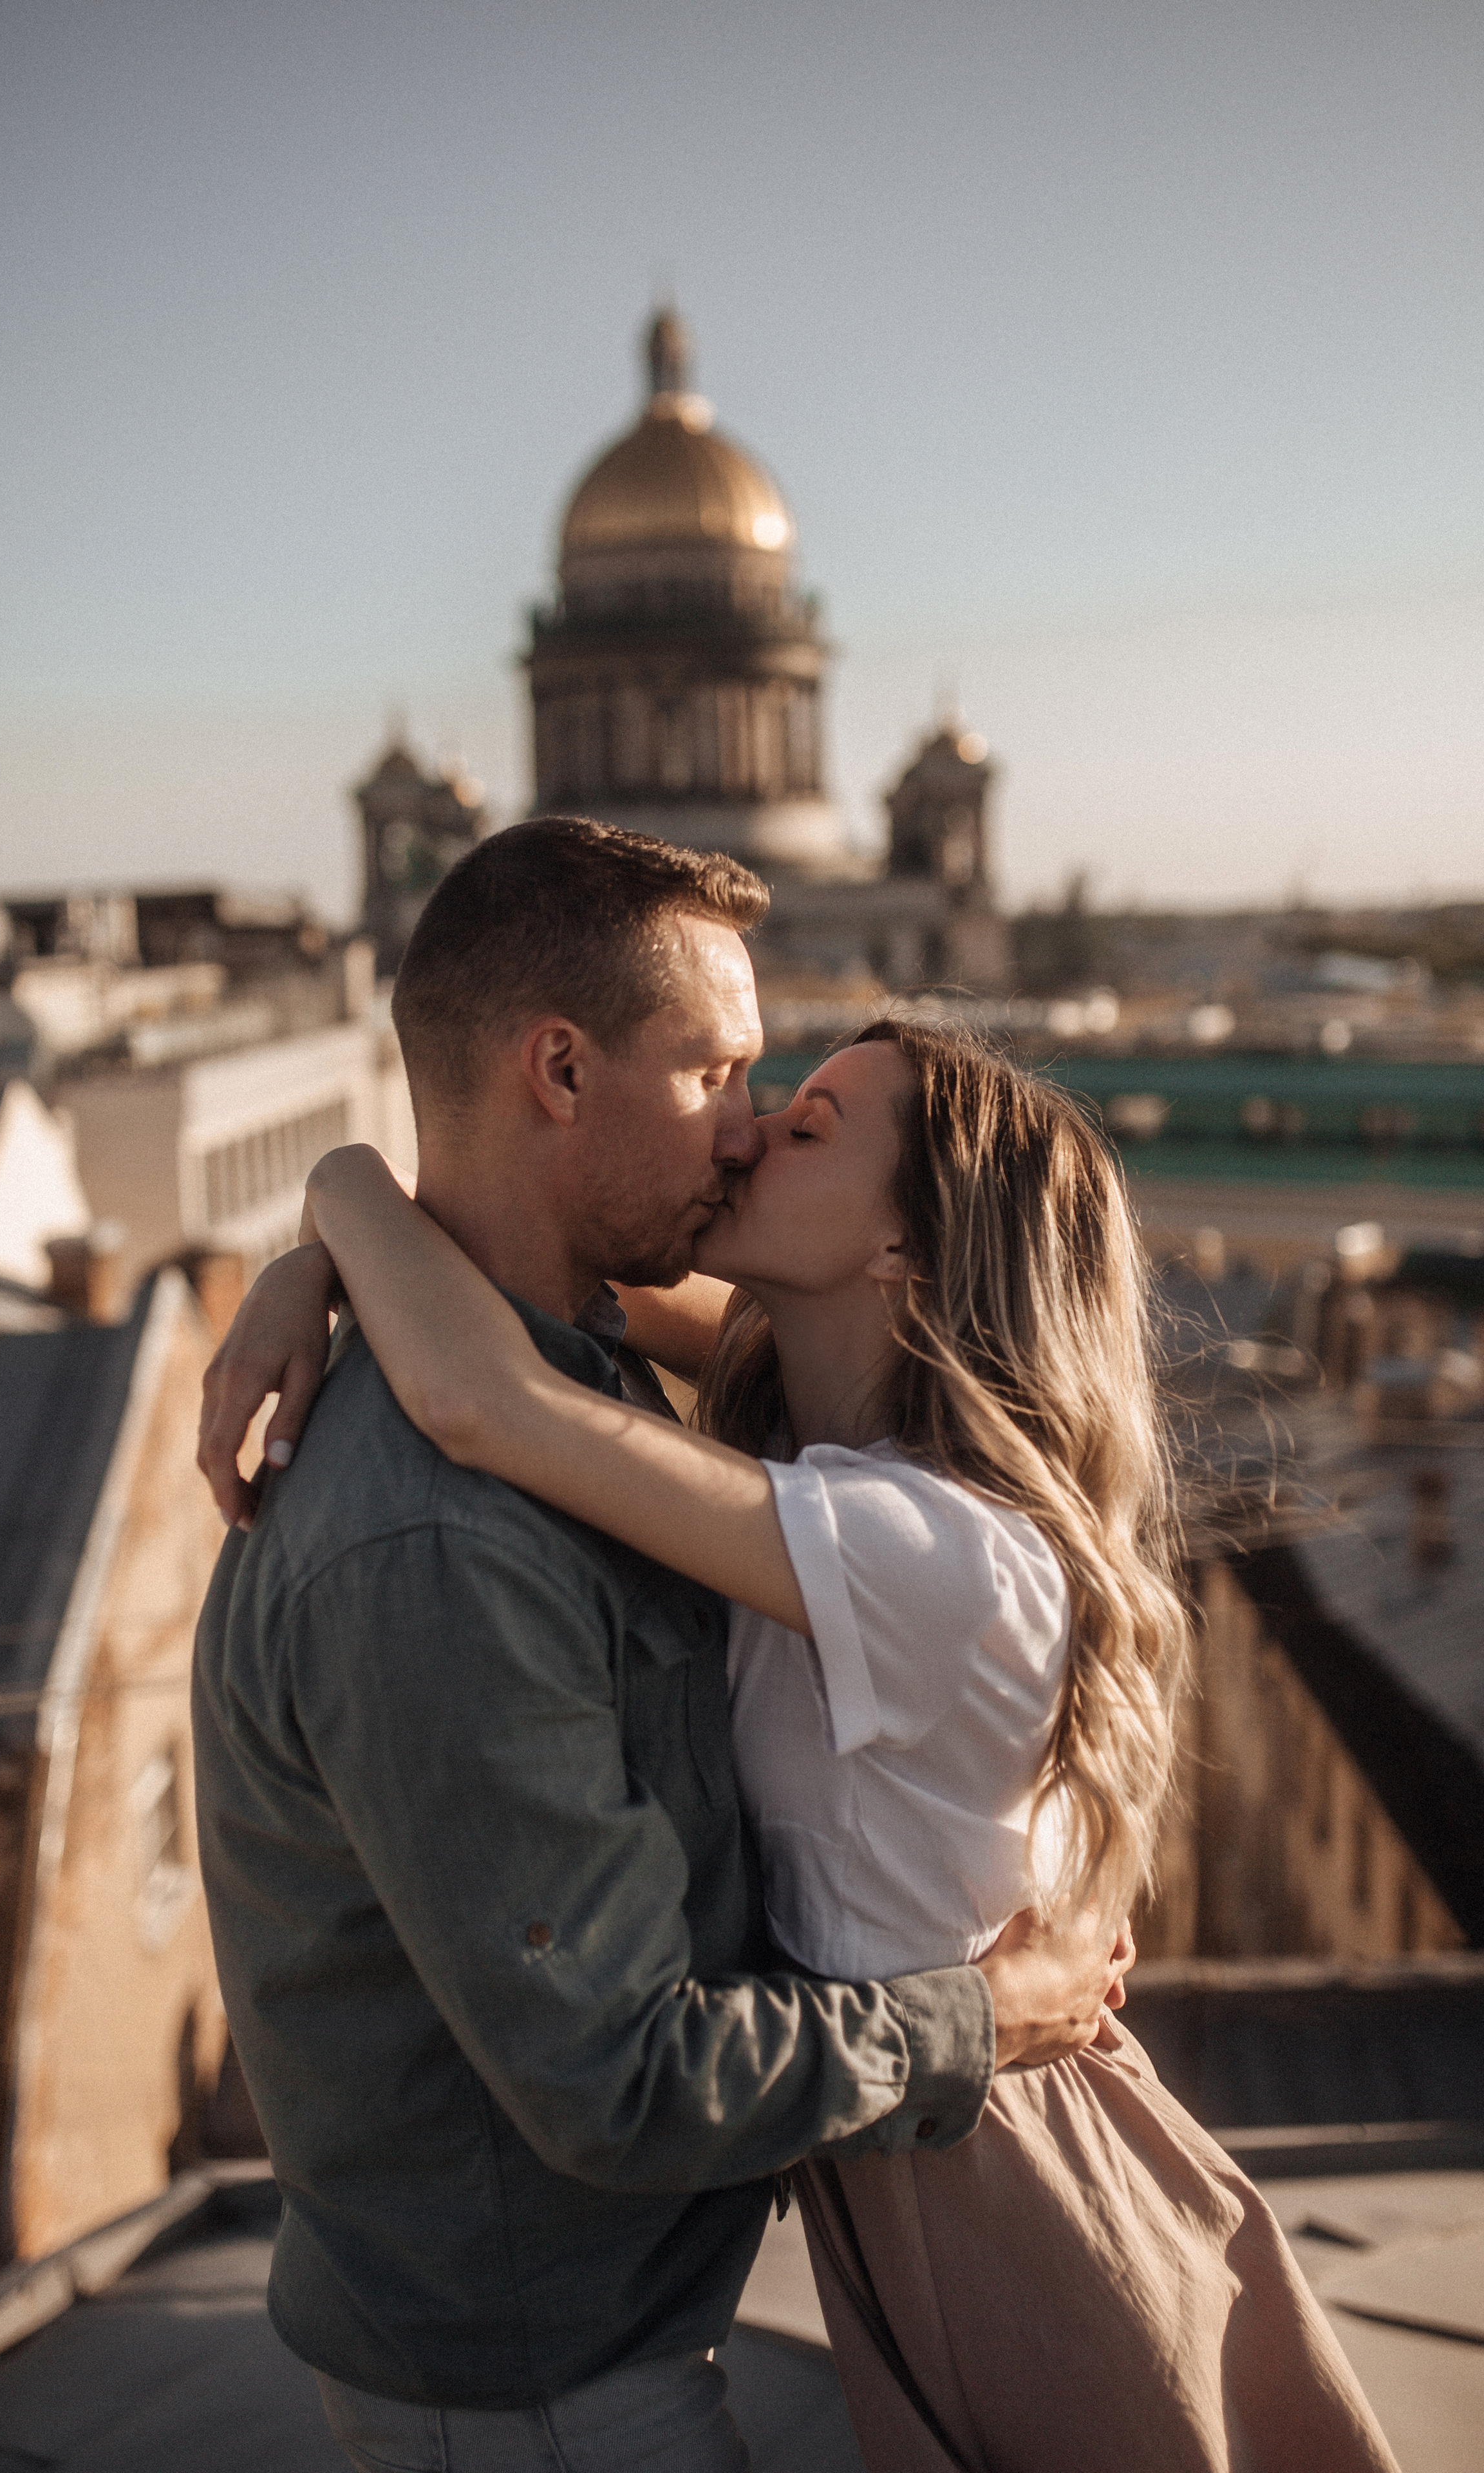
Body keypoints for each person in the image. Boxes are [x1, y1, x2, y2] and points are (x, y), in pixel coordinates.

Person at [205, 958, 1399, 2471]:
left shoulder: (926, 1547)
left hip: (1009, 2172)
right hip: (911, 2148)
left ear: (901, 1241)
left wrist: (336, 1186)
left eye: (808, 1127)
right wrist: (310, 1267)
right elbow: (516, 1269)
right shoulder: (805, 1438)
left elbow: (483, 1398)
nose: (745, 1133)